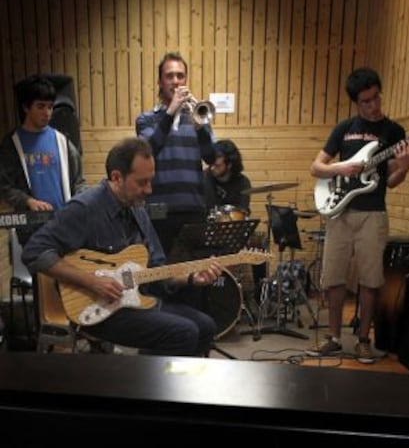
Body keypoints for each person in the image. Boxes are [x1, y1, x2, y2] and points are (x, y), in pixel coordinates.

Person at [22, 137, 222, 357]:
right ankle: (147, 387)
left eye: (150, 181)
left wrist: (191, 277)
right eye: (142, 182)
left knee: (206, 326)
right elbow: (34, 251)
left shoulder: (137, 208)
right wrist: (92, 282)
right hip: (99, 309)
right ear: (117, 178)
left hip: (136, 300)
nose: (149, 190)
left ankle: (162, 384)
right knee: (183, 333)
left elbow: (157, 270)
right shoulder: (85, 208)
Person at [307, 67, 409, 363]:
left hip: (373, 214)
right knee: (333, 279)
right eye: (366, 101)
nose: (373, 105)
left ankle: (364, 339)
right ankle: (335, 338)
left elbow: (391, 181)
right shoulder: (344, 128)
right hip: (340, 212)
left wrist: (403, 167)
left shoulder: (394, 133)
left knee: (371, 280)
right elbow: (317, 168)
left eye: (376, 97)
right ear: (356, 102)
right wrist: (341, 168)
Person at [135, 52, 216, 257]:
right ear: (160, 82)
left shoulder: (199, 115)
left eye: (180, 76)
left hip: (194, 208)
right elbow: (148, 152)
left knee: (195, 276)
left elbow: (212, 158)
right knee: (163, 275)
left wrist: (201, 130)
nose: (175, 81)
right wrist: (170, 112)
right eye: (169, 76)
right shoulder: (146, 119)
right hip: (159, 211)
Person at [0, 74, 88, 244]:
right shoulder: (11, 143)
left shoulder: (62, 140)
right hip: (32, 230)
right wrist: (27, 201)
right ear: (26, 107)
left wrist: (81, 203)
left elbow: (79, 181)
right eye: (40, 106)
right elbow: (4, 186)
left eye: (50, 107)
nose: (47, 113)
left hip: (65, 225)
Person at [204, 138, 251, 216]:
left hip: (232, 225)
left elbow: (241, 213)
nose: (212, 168)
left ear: (229, 165)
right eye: (211, 164)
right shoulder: (204, 178)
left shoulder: (243, 183)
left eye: (217, 166)